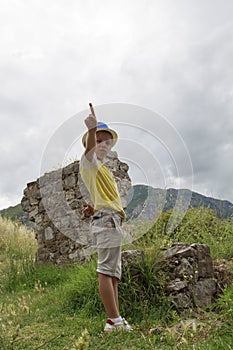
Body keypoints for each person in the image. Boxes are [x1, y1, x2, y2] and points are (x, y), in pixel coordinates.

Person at [80, 108, 132, 332]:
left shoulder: (103, 169)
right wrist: (92, 129)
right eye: (98, 140)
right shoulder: (88, 160)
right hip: (107, 220)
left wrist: (93, 206)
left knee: (113, 274)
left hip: (113, 219)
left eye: (107, 142)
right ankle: (113, 320)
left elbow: (101, 194)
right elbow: (90, 152)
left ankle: (117, 318)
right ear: (89, 144)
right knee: (105, 271)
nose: (102, 145)